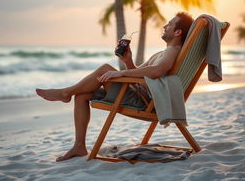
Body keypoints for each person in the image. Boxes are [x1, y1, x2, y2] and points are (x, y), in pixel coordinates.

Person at [36, 12, 194, 161]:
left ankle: (65, 93)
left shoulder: (173, 51)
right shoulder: (163, 52)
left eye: (170, 24)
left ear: (177, 32)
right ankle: (79, 146)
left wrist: (120, 74)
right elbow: (139, 72)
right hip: (139, 94)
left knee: (106, 68)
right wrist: (128, 61)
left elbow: (158, 71)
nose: (165, 26)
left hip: (144, 102)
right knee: (82, 95)